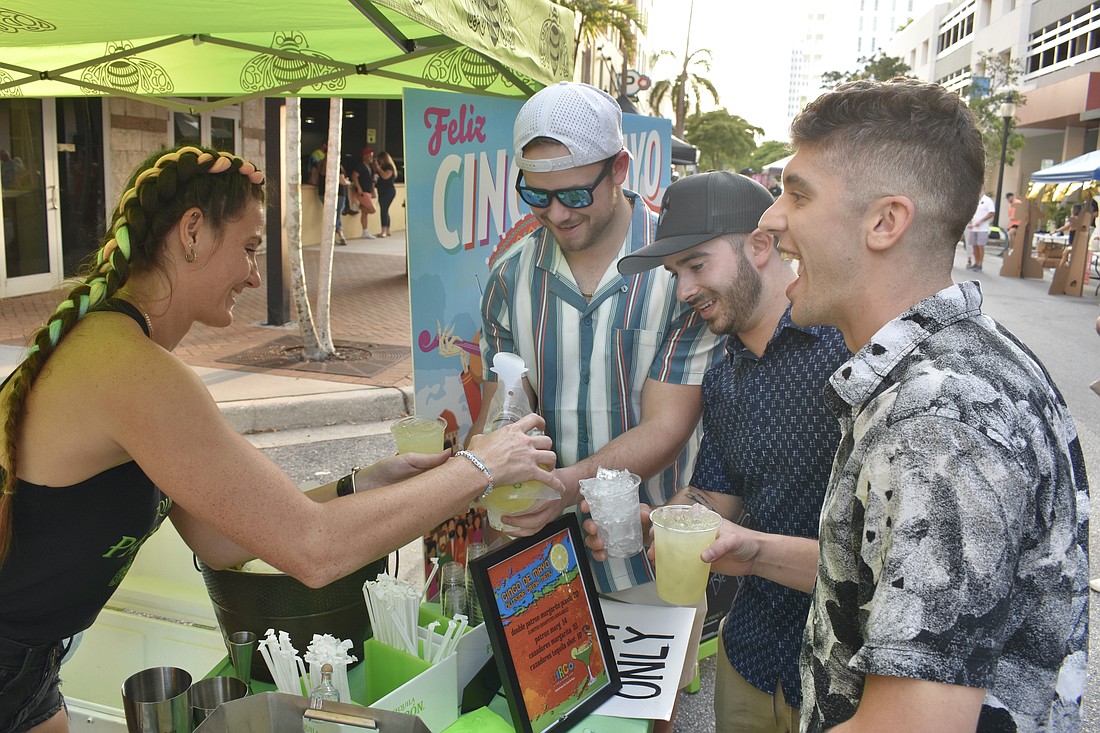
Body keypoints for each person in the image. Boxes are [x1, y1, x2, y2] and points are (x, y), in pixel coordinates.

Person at [0, 144, 562, 733]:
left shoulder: (125, 355)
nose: (253, 272)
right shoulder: (126, 367)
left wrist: (361, 483)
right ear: (192, 231)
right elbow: (312, 551)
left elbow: (219, 538)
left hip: (33, 665)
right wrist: (479, 465)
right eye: (247, 248)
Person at [703, 77, 1089, 732]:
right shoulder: (953, 368)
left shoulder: (941, 423)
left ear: (885, 222)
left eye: (798, 195)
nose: (771, 221)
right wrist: (753, 549)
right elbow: (894, 586)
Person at [474, 81, 724, 732]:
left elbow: (668, 424)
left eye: (576, 193)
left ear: (620, 170)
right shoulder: (509, 272)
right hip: (543, 556)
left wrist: (561, 487)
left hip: (647, 548)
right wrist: (478, 476)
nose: (556, 213)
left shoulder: (678, 267)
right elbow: (506, 407)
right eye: (537, 194)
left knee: (645, 719)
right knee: (555, 713)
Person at [610, 171, 849, 733]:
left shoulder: (851, 351)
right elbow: (717, 499)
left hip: (848, 667)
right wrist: (661, 520)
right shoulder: (723, 378)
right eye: (676, 274)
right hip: (751, 654)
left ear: (761, 246)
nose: (685, 289)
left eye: (696, 264)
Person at [311, 142, 350, 245]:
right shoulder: (337, 166)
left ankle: (335, 236)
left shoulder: (320, 165)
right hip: (338, 193)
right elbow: (342, 181)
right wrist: (348, 182)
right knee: (336, 215)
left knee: (332, 215)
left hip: (322, 193)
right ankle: (340, 235)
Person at [964, 190, 995, 271]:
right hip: (973, 227)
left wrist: (981, 221)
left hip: (982, 228)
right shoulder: (975, 200)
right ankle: (976, 262)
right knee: (974, 245)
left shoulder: (987, 200)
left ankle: (980, 263)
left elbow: (992, 212)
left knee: (980, 245)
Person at [351, 147, 377, 240]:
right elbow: (354, 176)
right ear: (365, 156)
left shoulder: (370, 167)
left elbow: (372, 180)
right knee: (372, 210)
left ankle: (365, 231)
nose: (371, 158)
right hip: (363, 192)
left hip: (368, 191)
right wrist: (359, 188)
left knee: (365, 213)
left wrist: (373, 190)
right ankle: (358, 207)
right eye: (370, 156)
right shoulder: (360, 166)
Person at [372, 151, 397, 237]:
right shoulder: (381, 167)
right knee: (385, 210)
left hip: (388, 191)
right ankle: (388, 229)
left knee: (384, 209)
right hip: (382, 191)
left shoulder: (388, 167)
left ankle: (384, 230)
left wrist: (378, 168)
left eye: (380, 159)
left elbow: (385, 176)